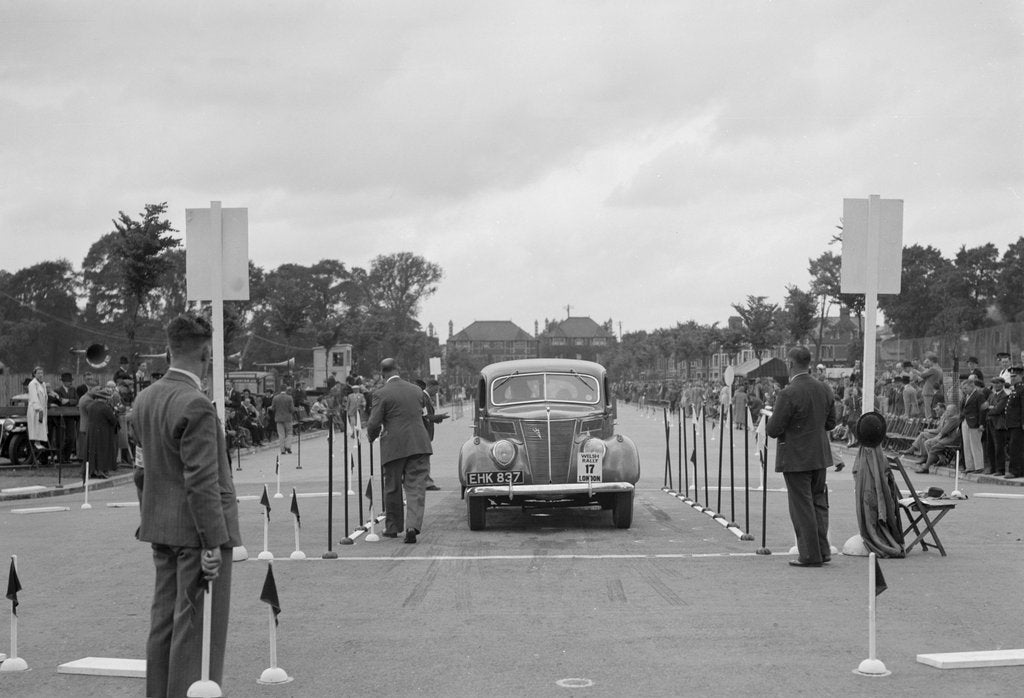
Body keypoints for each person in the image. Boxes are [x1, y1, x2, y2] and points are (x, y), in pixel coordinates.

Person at [130, 313, 241, 698]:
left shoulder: (143, 401)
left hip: (160, 527)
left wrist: (152, 514)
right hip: (197, 535)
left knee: (162, 623)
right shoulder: (196, 405)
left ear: (168, 351)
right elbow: (201, 480)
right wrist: (213, 542)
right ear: (207, 354)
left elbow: (140, 471)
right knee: (195, 631)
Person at [766, 346, 837, 568]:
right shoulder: (824, 388)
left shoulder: (788, 393)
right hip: (819, 456)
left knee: (802, 507)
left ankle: (809, 554)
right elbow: (831, 423)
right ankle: (823, 550)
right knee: (818, 503)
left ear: (791, 364)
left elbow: (774, 429)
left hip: (797, 458)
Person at [367, 358, 433, 544]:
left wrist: (371, 436)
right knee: (416, 488)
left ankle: (393, 528)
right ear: (398, 370)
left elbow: (374, 422)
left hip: (394, 447)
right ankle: (412, 526)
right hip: (419, 445)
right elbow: (423, 414)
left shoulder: (381, 393)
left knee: (393, 488)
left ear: (382, 374)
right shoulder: (417, 390)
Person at [83, 386, 119, 477]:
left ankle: (92, 470)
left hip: (91, 431)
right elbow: (113, 420)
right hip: (103, 432)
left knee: (92, 451)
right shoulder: (105, 408)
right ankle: (101, 471)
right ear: (105, 398)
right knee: (102, 451)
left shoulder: (90, 406)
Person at [984, 376, 1009, 475]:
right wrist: (991, 408)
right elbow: (985, 407)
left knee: (999, 447)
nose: (996, 385)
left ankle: (1000, 469)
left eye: (998, 383)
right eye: (994, 383)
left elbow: (997, 410)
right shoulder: (992, 395)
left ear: (1002, 384)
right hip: (990, 422)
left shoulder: (1004, 396)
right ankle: (992, 467)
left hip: (999, 424)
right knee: (990, 447)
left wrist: (990, 408)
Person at [26, 366, 50, 457]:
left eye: (41, 373)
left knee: (41, 426)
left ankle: (39, 442)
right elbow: (33, 397)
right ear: (34, 374)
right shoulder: (32, 384)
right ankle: (36, 442)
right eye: (38, 373)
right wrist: (38, 409)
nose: (40, 375)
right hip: (35, 409)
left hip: (42, 408)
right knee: (37, 425)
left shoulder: (42, 384)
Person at [271, 386, 295, 455]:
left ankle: (282, 450)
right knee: (289, 433)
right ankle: (287, 446)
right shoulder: (289, 397)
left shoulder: (275, 398)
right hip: (288, 418)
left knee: (281, 434)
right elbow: (292, 409)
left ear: (279, 389)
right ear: (285, 390)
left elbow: (273, 408)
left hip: (278, 418)